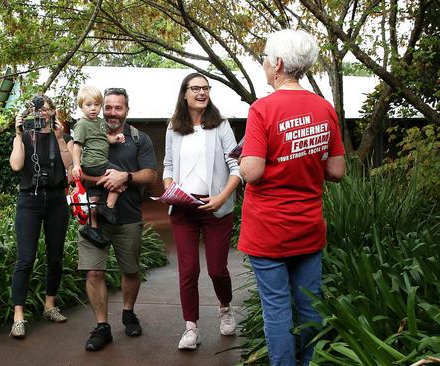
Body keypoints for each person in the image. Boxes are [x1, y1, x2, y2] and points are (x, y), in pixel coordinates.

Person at [238, 29, 346, 366]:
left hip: (268, 230)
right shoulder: (323, 108)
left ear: (279, 63)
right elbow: (337, 170)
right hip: (309, 228)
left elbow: (252, 172)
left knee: (276, 309)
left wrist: (243, 157)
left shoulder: (262, 109)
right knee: (311, 306)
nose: (265, 66)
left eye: (266, 59)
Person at [162, 72, 242, 350]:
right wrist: (170, 187)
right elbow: (168, 165)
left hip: (215, 207)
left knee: (218, 270)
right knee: (188, 270)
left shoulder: (220, 125)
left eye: (205, 88)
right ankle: (190, 328)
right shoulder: (174, 126)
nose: (201, 92)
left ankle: (225, 307)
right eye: (195, 88)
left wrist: (222, 197)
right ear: (184, 93)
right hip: (184, 208)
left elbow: (237, 165)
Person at [78, 87, 157, 351]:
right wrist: (99, 179)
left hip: (128, 217)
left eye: (117, 108)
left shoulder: (138, 139)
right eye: (107, 107)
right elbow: (72, 171)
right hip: (93, 219)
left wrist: (126, 177)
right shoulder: (88, 132)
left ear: (126, 110)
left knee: (131, 271)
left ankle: (128, 312)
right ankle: (102, 327)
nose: (112, 113)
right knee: (93, 271)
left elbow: (151, 175)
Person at [8, 95, 74, 338]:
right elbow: (16, 166)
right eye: (37, 110)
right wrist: (17, 135)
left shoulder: (62, 137)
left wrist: (59, 138)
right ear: (30, 113)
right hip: (30, 201)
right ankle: (18, 316)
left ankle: (50, 305)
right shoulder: (25, 136)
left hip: (57, 199)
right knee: (25, 258)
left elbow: (70, 168)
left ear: (53, 111)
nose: (42, 114)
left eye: (47, 109)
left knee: (55, 256)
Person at [71, 86, 125, 248]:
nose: (93, 108)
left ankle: (93, 228)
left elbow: (105, 138)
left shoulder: (101, 122)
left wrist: (116, 138)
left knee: (93, 199)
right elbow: (77, 146)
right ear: (81, 106)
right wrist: (76, 165)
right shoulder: (81, 124)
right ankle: (108, 207)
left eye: (96, 105)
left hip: (96, 163)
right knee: (121, 176)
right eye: (88, 105)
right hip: (95, 162)